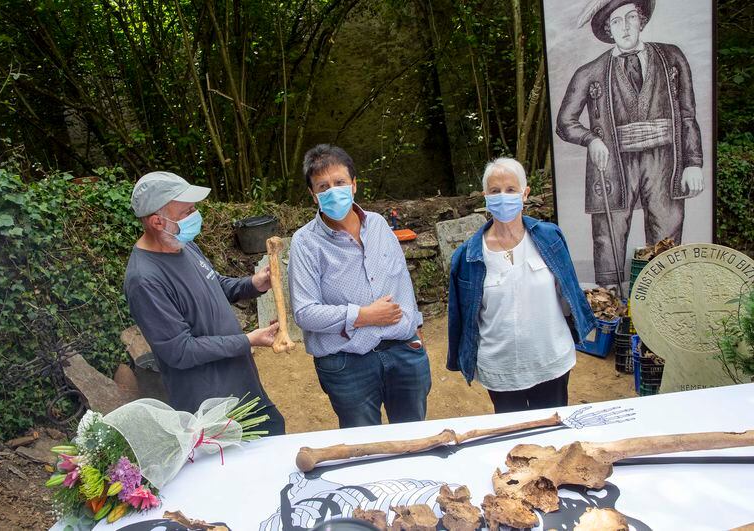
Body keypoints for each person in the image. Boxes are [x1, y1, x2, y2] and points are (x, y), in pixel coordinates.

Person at [124, 170, 285, 435]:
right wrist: (248, 340)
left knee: (275, 433)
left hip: (243, 385)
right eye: (186, 212)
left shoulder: (183, 246)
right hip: (210, 406)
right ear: (157, 221)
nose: (195, 216)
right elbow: (180, 350)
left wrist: (253, 284)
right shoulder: (145, 280)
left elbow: (215, 284)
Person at [556, 0, 703, 287]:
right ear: (609, 31)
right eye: (615, 21)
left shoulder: (672, 58)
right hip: (613, 166)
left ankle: (662, 308)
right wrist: (591, 139)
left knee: (666, 241)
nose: (624, 27)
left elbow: (687, 114)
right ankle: (610, 313)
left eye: (630, 17)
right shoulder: (590, 72)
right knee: (608, 240)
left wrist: (693, 163)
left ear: (642, 20)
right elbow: (564, 122)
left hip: (664, 162)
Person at [287, 144, 431, 428]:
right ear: (313, 195)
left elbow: (401, 279)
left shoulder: (378, 224)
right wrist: (363, 316)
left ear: (354, 185)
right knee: (364, 448)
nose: (333, 191)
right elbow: (304, 312)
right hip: (347, 362)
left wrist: (415, 329)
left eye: (339, 182)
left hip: (404, 351)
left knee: (414, 437)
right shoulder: (305, 243)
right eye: (323, 186)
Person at [447, 158, 595, 414]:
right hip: (500, 369)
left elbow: (568, 291)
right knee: (513, 442)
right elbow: (462, 316)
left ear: (525, 194)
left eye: (511, 190)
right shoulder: (468, 255)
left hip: (550, 361)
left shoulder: (549, 237)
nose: (503, 197)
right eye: (495, 191)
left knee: (551, 435)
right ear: (485, 197)